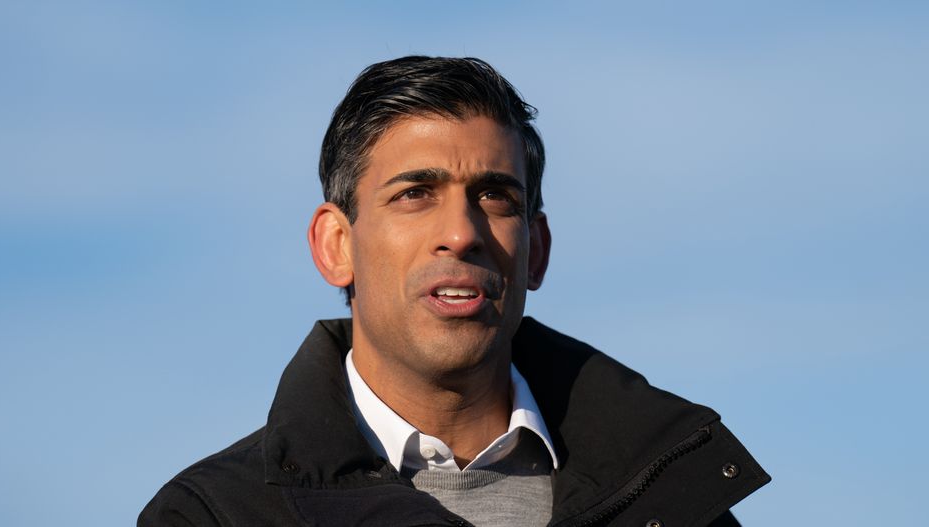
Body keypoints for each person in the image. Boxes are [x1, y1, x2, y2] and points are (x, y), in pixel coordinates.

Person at [139, 56, 769, 527]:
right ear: (336, 246)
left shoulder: (673, 494)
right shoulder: (218, 515)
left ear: (536, 250)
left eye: (496, 197)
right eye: (415, 194)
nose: (461, 234)